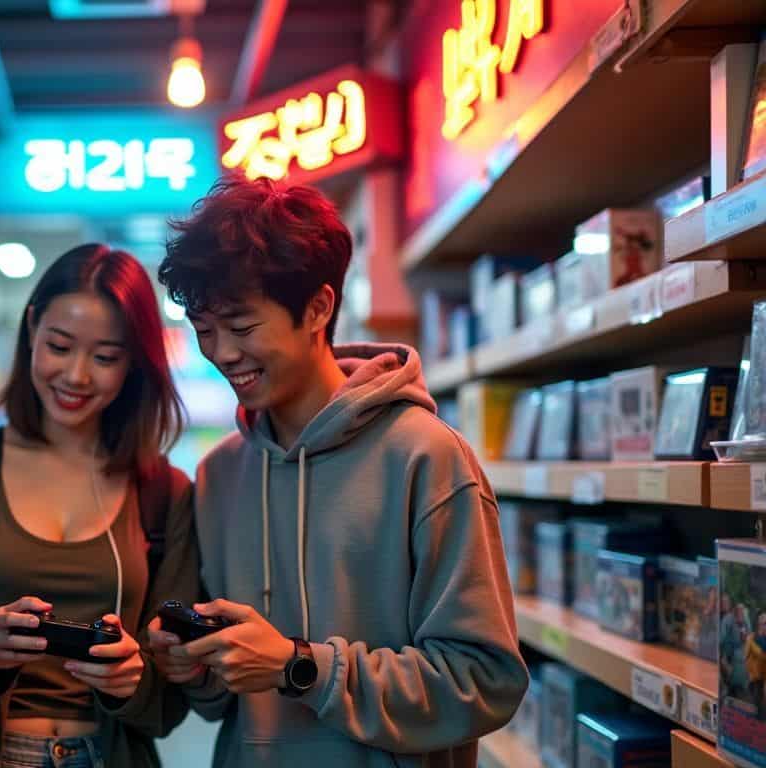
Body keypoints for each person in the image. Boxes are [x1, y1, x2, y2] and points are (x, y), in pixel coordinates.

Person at [147, 176, 529, 767]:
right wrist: (196, 666)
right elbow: (222, 701)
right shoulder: (219, 475)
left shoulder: (427, 457)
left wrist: (300, 666)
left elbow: (485, 680)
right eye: (204, 331)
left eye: (242, 327)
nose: (222, 352)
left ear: (319, 307)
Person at [0, 243, 197, 768]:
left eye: (106, 357)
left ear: (135, 362)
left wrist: (131, 682)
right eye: (60, 346)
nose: (76, 376)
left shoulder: (165, 493)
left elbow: (171, 705)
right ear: (31, 331)